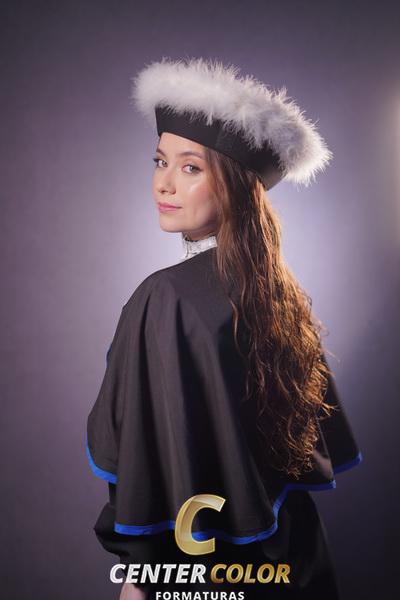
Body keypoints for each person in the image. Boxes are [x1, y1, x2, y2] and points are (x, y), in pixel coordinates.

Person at [86, 57, 363, 599]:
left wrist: (140, 580)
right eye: (160, 161)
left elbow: (147, 459)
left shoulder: (166, 297)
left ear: (234, 185)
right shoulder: (282, 292)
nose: (164, 183)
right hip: (298, 562)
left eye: (190, 168)